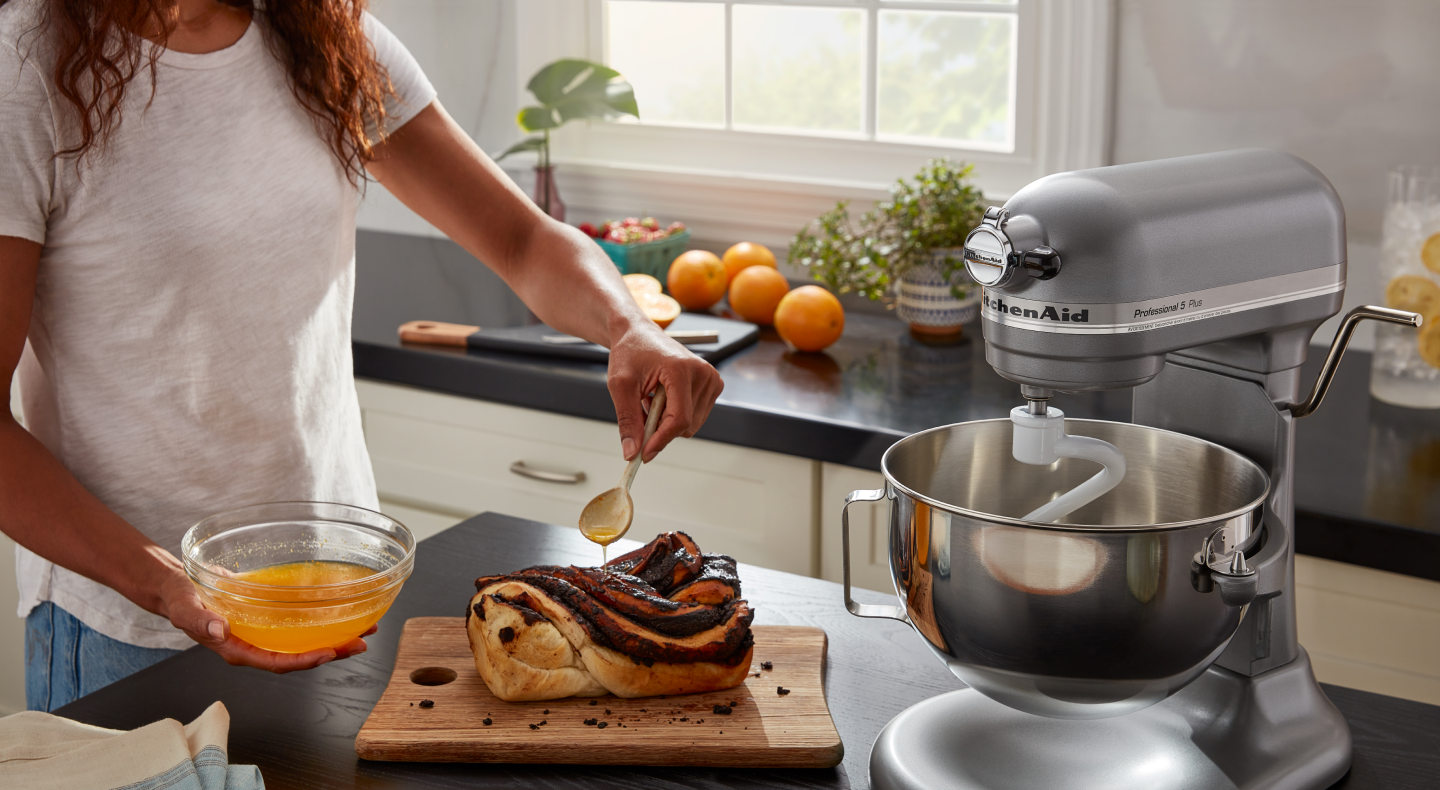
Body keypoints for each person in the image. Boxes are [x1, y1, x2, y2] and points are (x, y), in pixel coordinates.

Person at [0, 0, 724, 711]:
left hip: (338, 603)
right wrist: (167, 586)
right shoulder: (27, 66)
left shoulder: (320, 34)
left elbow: (521, 240)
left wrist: (630, 326)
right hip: (128, 635)